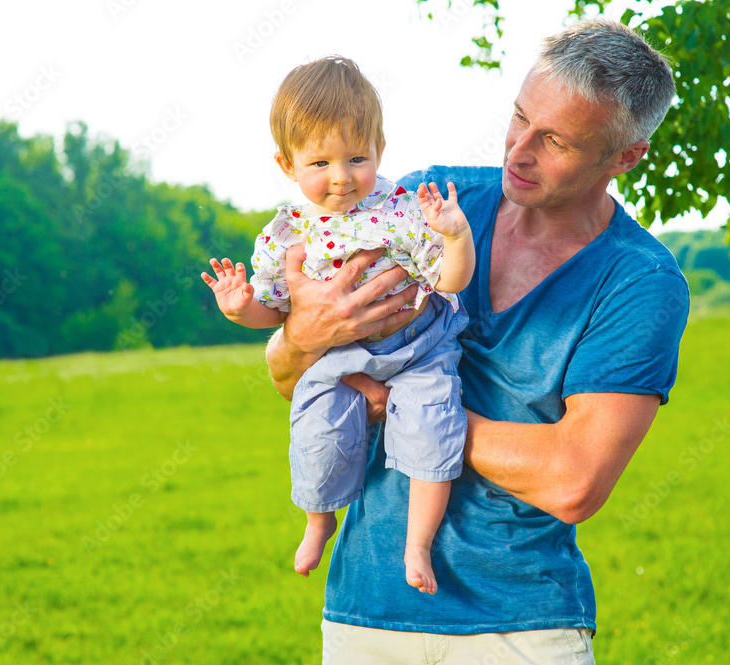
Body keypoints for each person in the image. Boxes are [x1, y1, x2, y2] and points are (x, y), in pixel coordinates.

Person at [264, 19, 690, 665]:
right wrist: (303, 337)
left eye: (554, 140)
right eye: (519, 118)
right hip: (364, 610)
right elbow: (291, 373)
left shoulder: (638, 281)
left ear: (625, 155)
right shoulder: (431, 200)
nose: (519, 150)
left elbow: (574, 479)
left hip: (520, 625)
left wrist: (412, 409)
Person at [201, 56, 476, 595]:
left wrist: (455, 235)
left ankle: (417, 545)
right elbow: (276, 314)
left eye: (357, 157)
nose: (341, 177)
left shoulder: (403, 207)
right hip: (341, 360)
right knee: (318, 431)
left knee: (433, 425)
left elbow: (448, 281)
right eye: (320, 162)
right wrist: (239, 308)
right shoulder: (288, 233)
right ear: (286, 164)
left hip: (420, 348)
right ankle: (319, 520)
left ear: (380, 151)